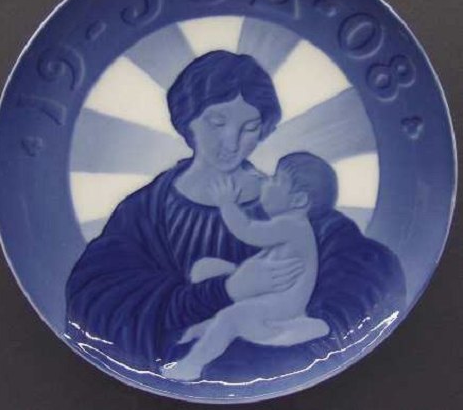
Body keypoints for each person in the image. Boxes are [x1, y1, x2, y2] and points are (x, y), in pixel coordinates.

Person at [65, 50, 406, 382]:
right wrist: (225, 290)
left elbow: (370, 277)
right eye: (217, 122)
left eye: (250, 127)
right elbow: (97, 300)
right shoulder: (143, 212)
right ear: (188, 120)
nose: (232, 142)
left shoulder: (291, 206)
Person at [163, 152, 335, 381]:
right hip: (267, 289)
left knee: (231, 316)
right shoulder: (293, 226)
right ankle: (209, 328)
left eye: (275, 179)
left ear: (298, 201)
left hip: (280, 305)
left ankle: (192, 365)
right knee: (205, 268)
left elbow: (247, 231)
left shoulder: (292, 225)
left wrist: (226, 204)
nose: (266, 181)